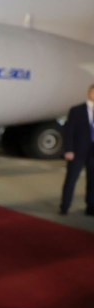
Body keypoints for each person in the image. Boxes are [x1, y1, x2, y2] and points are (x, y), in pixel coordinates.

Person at [58, 82, 94, 215]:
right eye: (93, 92)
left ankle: (91, 208)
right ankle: (64, 207)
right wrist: (68, 149)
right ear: (89, 93)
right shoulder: (76, 110)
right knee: (71, 179)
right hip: (77, 151)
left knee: (92, 182)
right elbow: (69, 131)